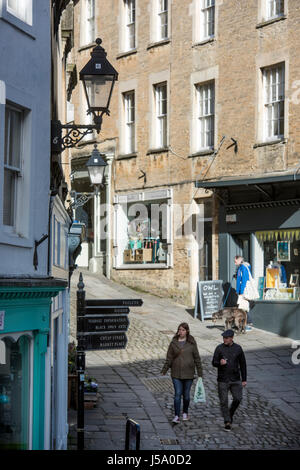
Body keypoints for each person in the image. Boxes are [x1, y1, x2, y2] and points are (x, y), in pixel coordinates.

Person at [161, 322, 203, 424]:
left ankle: (185, 412)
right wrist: (164, 369)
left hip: (189, 373)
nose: (181, 332)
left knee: (187, 396)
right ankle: (176, 416)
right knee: (177, 394)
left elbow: (197, 358)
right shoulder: (173, 343)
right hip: (176, 373)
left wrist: (200, 373)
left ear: (187, 331)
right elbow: (169, 358)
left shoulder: (192, 343)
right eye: (179, 330)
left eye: (183, 330)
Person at [212, 329, 247, 431]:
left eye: (226, 338)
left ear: (232, 338)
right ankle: (227, 421)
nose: (224, 339)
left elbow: (243, 364)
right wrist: (220, 363)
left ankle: (230, 413)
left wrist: (244, 379)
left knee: (238, 398)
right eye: (223, 338)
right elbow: (214, 362)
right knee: (223, 401)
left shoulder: (238, 348)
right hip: (222, 379)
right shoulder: (219, 348)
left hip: (235, 379)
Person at [234, 255, 253, 331]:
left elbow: (244, 280)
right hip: (241, 291)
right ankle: (244, 324)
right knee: (242, 308)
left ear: (239, 260)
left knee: (244, 308)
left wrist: (241, 292)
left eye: (235, 261)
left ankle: (248, 324)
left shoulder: (243, 267)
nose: (235, 263)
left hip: (243, 291)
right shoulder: (240, 267)